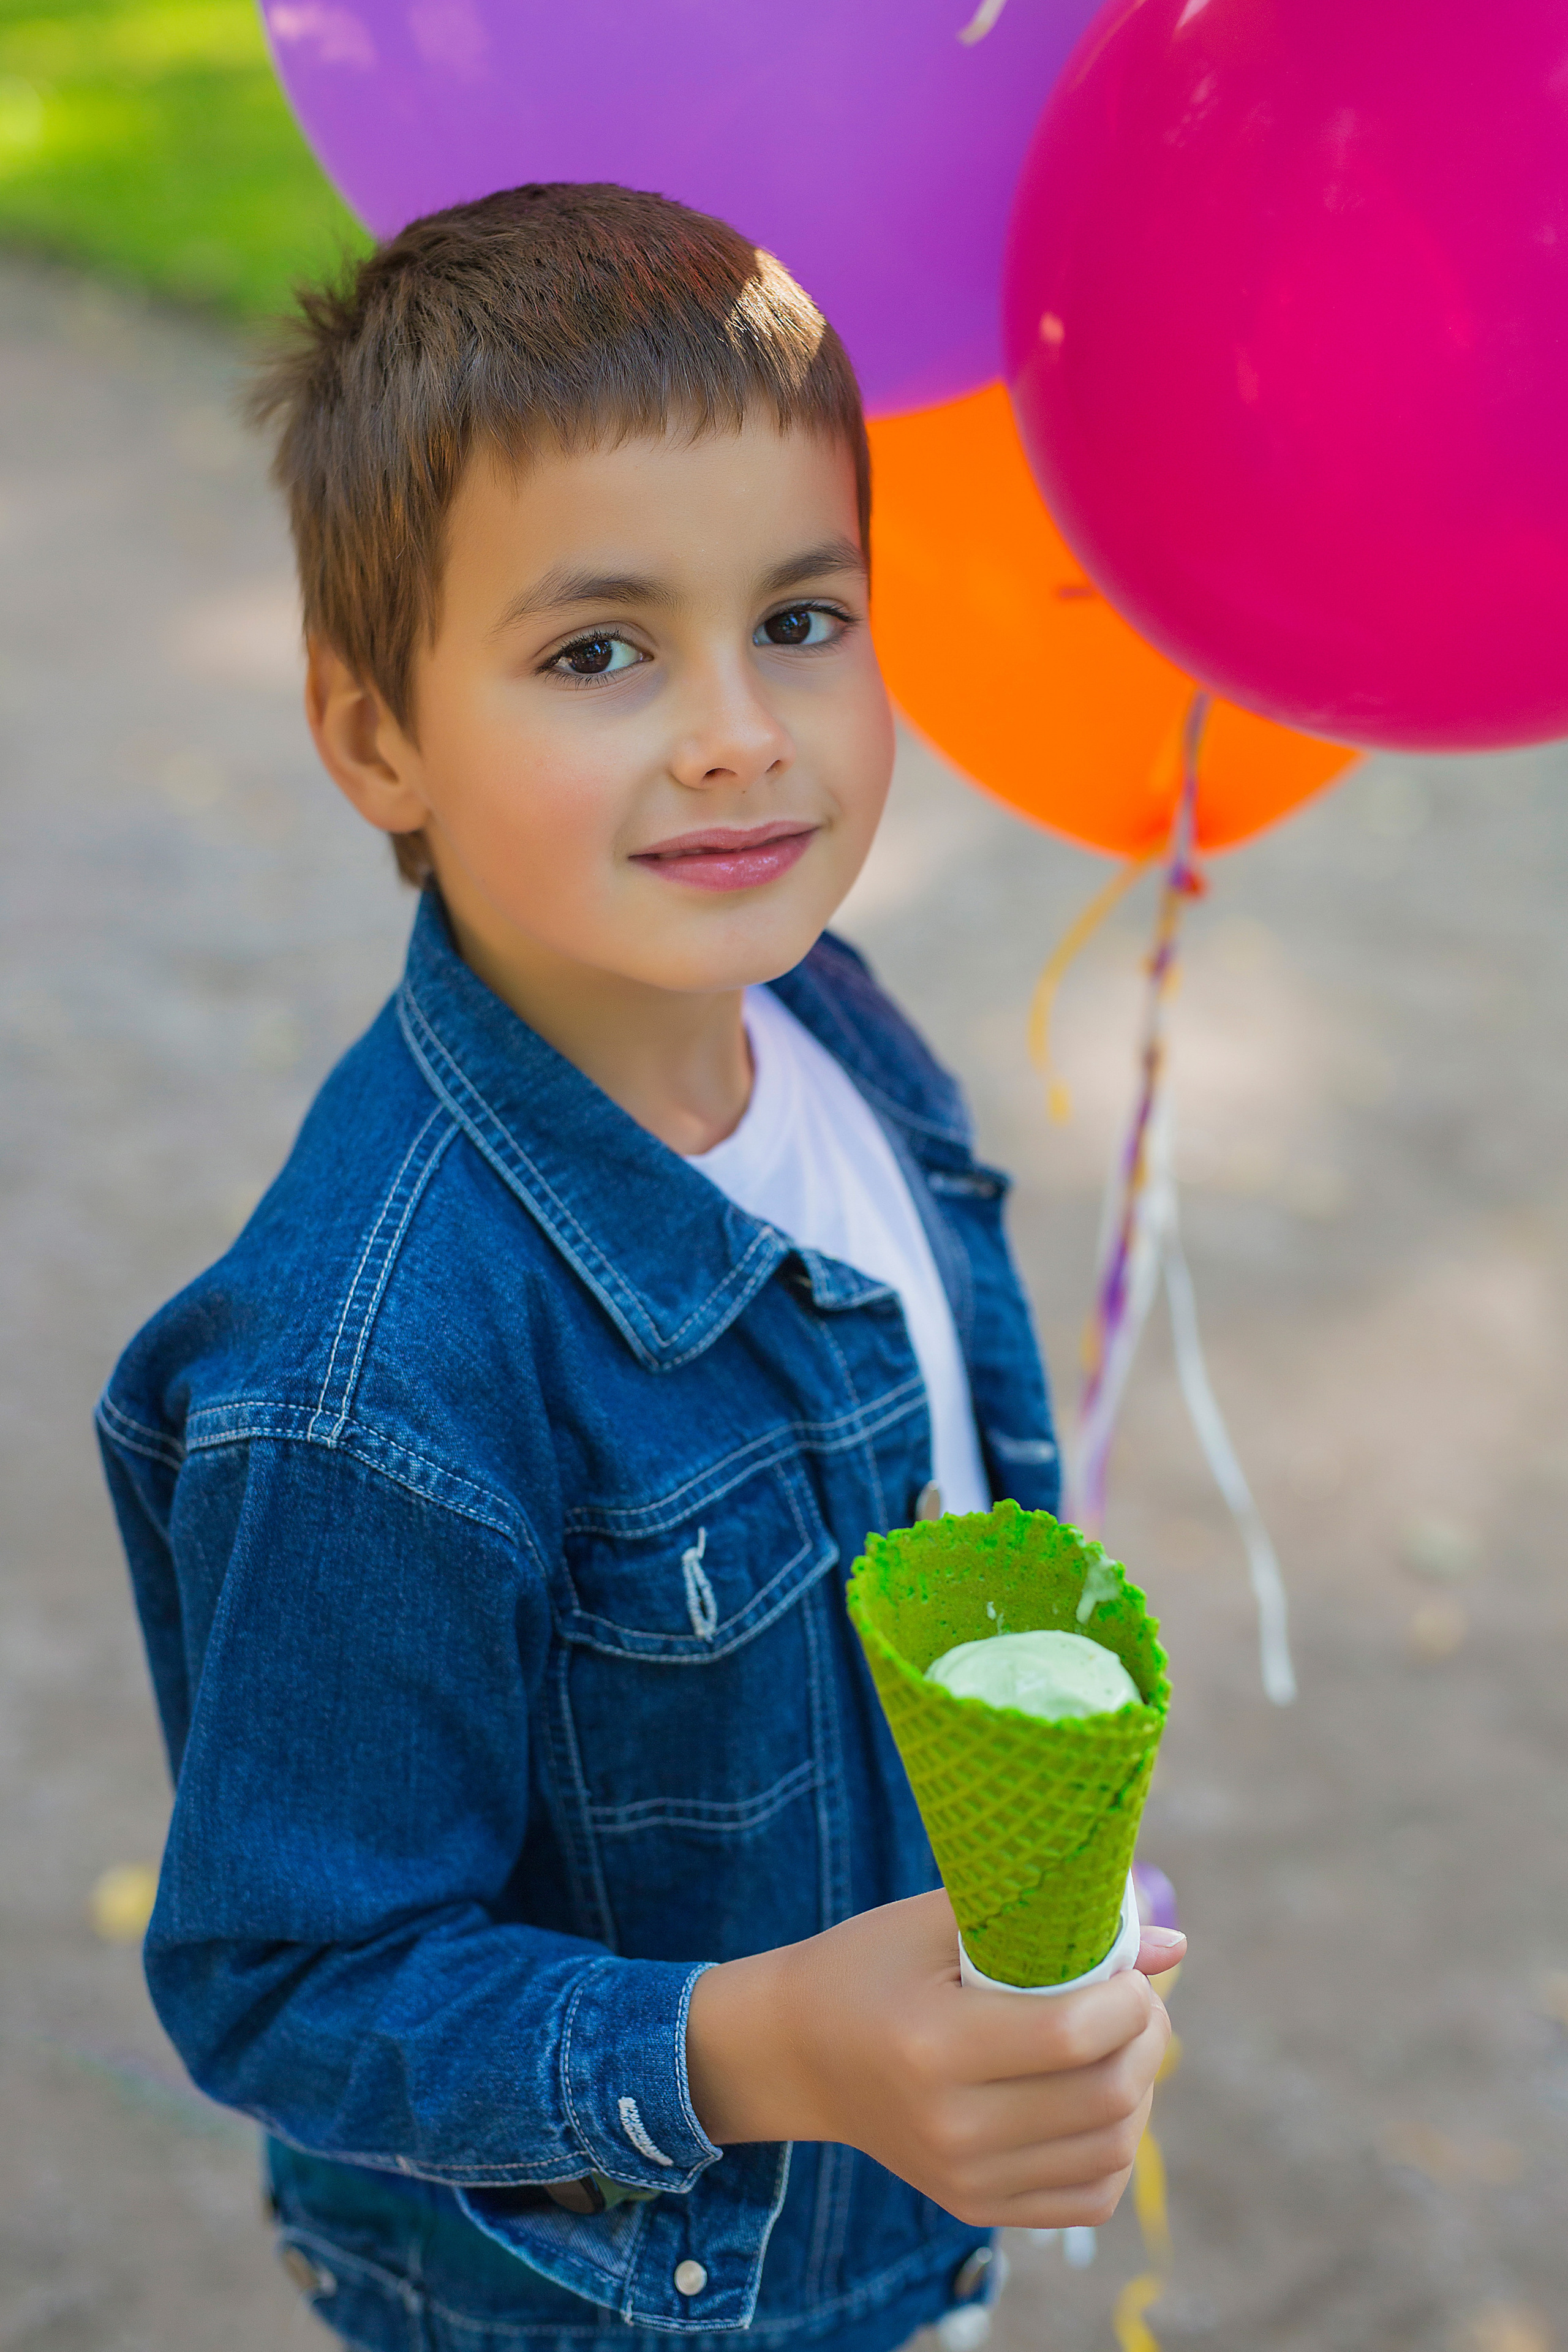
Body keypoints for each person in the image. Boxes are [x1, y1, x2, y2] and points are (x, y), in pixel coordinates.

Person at [97, 183, 1184, 2352]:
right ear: (374, 733)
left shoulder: (831, 1023)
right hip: (622, 2301)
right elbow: (289, 1984)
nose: (736, 732)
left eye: (802, 617)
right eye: (600, 651)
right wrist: (784, 2048)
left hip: (883, 2231)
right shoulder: (375, 1367)